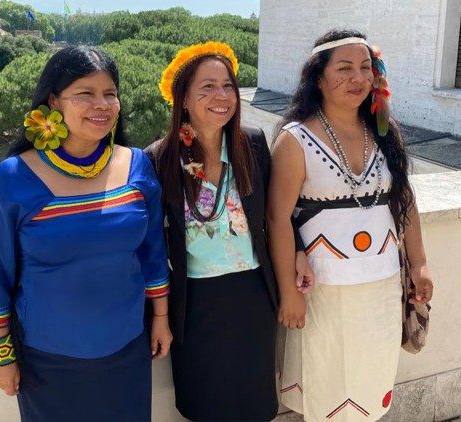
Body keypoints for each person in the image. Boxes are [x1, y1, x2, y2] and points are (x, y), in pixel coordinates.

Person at [0, 46, 171, 421]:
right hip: (48, 361)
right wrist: (1, 356)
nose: (102, 104)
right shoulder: (13, 179)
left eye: (110, 93)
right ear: (53, 101)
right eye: (85, 93)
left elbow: (152, 252)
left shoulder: (138, 166)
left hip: (127, 348)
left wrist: (160, 317)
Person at [267, 30, 434, 421]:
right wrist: (290, 292)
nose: (357, 78)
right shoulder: (295, 139)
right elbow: (277, 218)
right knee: (328, 389)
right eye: (344, 69)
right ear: (319, 78)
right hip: (324, 290)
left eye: (365, 68)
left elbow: (404, 201)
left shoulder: (384, 133)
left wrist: (420, 263)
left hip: (382, 285)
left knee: (370, 383)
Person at [146, 41, 312, 421]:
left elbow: (277, 210)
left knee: (252, 398)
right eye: (207, 87)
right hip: (195, 300)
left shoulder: (252, 143)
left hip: (254, 293)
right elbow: (153, 241)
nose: (221, 96)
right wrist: (158, 314)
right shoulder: (160, 157)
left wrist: (299, 252)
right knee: (205, 400)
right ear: (183, 98)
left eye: (228, 86)